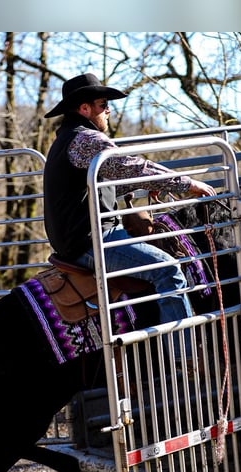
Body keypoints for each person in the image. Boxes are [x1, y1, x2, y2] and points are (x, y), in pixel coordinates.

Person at [42, 72, 215, 361]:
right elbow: (130, 166)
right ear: (84, 109)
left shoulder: (66, 140)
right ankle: (184, 357)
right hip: (94, 242)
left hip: (79, 240)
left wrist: (149, 185)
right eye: (102, 104)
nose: (108, 109)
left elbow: (113, 178)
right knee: (169, 270)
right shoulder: (87, 141)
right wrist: (186, 185)